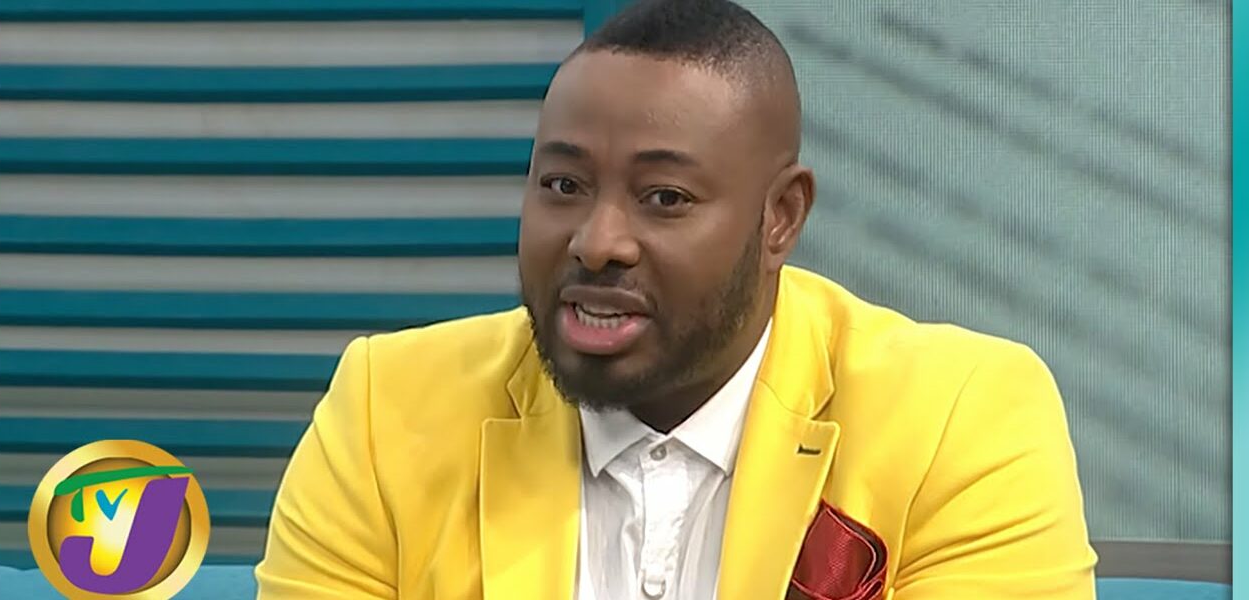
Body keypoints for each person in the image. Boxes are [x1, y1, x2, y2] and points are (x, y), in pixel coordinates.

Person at [255, 0, 1097, 597]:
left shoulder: (961, 419)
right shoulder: (387, 408)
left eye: (665, 198)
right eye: (563, 185)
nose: (597, 242)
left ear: (780, 217)